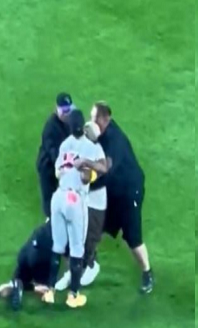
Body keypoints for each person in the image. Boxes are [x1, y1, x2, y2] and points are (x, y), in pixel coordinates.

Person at [44, 110, 108, 308]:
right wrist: (90, 170)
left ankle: (50, 291)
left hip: (58, 198)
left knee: (57, 245)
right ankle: (73, 296)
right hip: (75, 199)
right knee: (77, 248)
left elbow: (58, 173)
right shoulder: (91, 147)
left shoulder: (64, 144)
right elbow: (92, 175)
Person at [90, 101, 153, 293]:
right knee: (96, 225)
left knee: (133, 238)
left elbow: (106, 171)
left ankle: (147, 273)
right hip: (113, 190)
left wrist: (87, 185)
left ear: (105, 119)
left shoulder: (115, 141)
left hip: (128, 192)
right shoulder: (100, 133)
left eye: (94, 119)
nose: (91, 122)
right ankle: (89, 262)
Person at [0, 222, 54, 311]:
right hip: (38, 259)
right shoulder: (62, 231)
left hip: (24, 254)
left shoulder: (42, 228)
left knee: (14, 283)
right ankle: (26, 287)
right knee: (46, 290)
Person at [36, 93, 75, 218]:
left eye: (69, 110)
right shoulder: (50, 127)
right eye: (64, 111)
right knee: (49, 194)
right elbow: (51, 149)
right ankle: (50, 218)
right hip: (47, 165)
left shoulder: (71, 121)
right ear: (56, 108)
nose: (66, 113)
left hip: (63, 163)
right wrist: (63, 165)